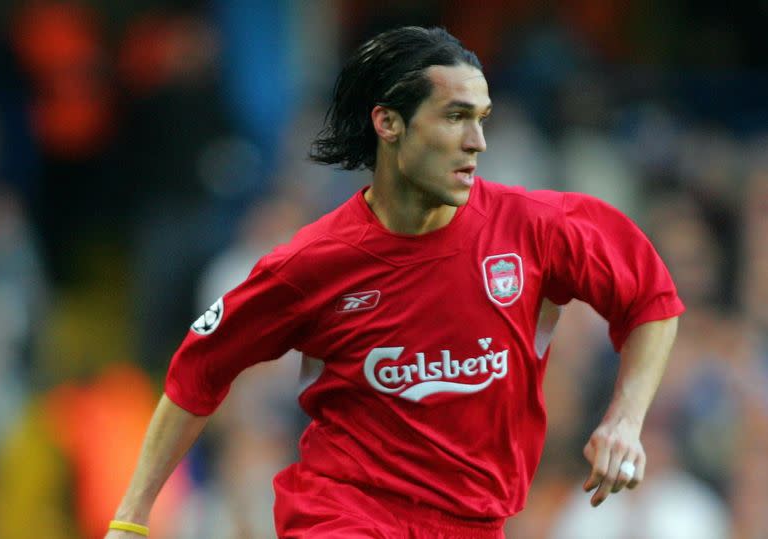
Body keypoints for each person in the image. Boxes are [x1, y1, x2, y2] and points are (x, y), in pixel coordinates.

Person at [105, 26, 683, 538]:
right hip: (343, 513)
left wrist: (624, 421)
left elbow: (652, 299)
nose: (477, 142)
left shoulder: (538, 228)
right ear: (388, 122)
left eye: (481, 120)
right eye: (455, 117)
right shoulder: (313, 263)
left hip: (477, 523)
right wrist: (131, 518)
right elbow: (199, 368)